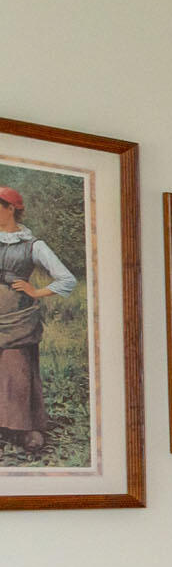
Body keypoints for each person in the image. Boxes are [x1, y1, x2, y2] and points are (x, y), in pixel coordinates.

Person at [0, 185, 79, 458]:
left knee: (17, 370)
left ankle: (24, 428)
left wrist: (35, 291)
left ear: (12, 209)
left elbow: (67, 279)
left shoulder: (33, 245)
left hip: (18, 317)